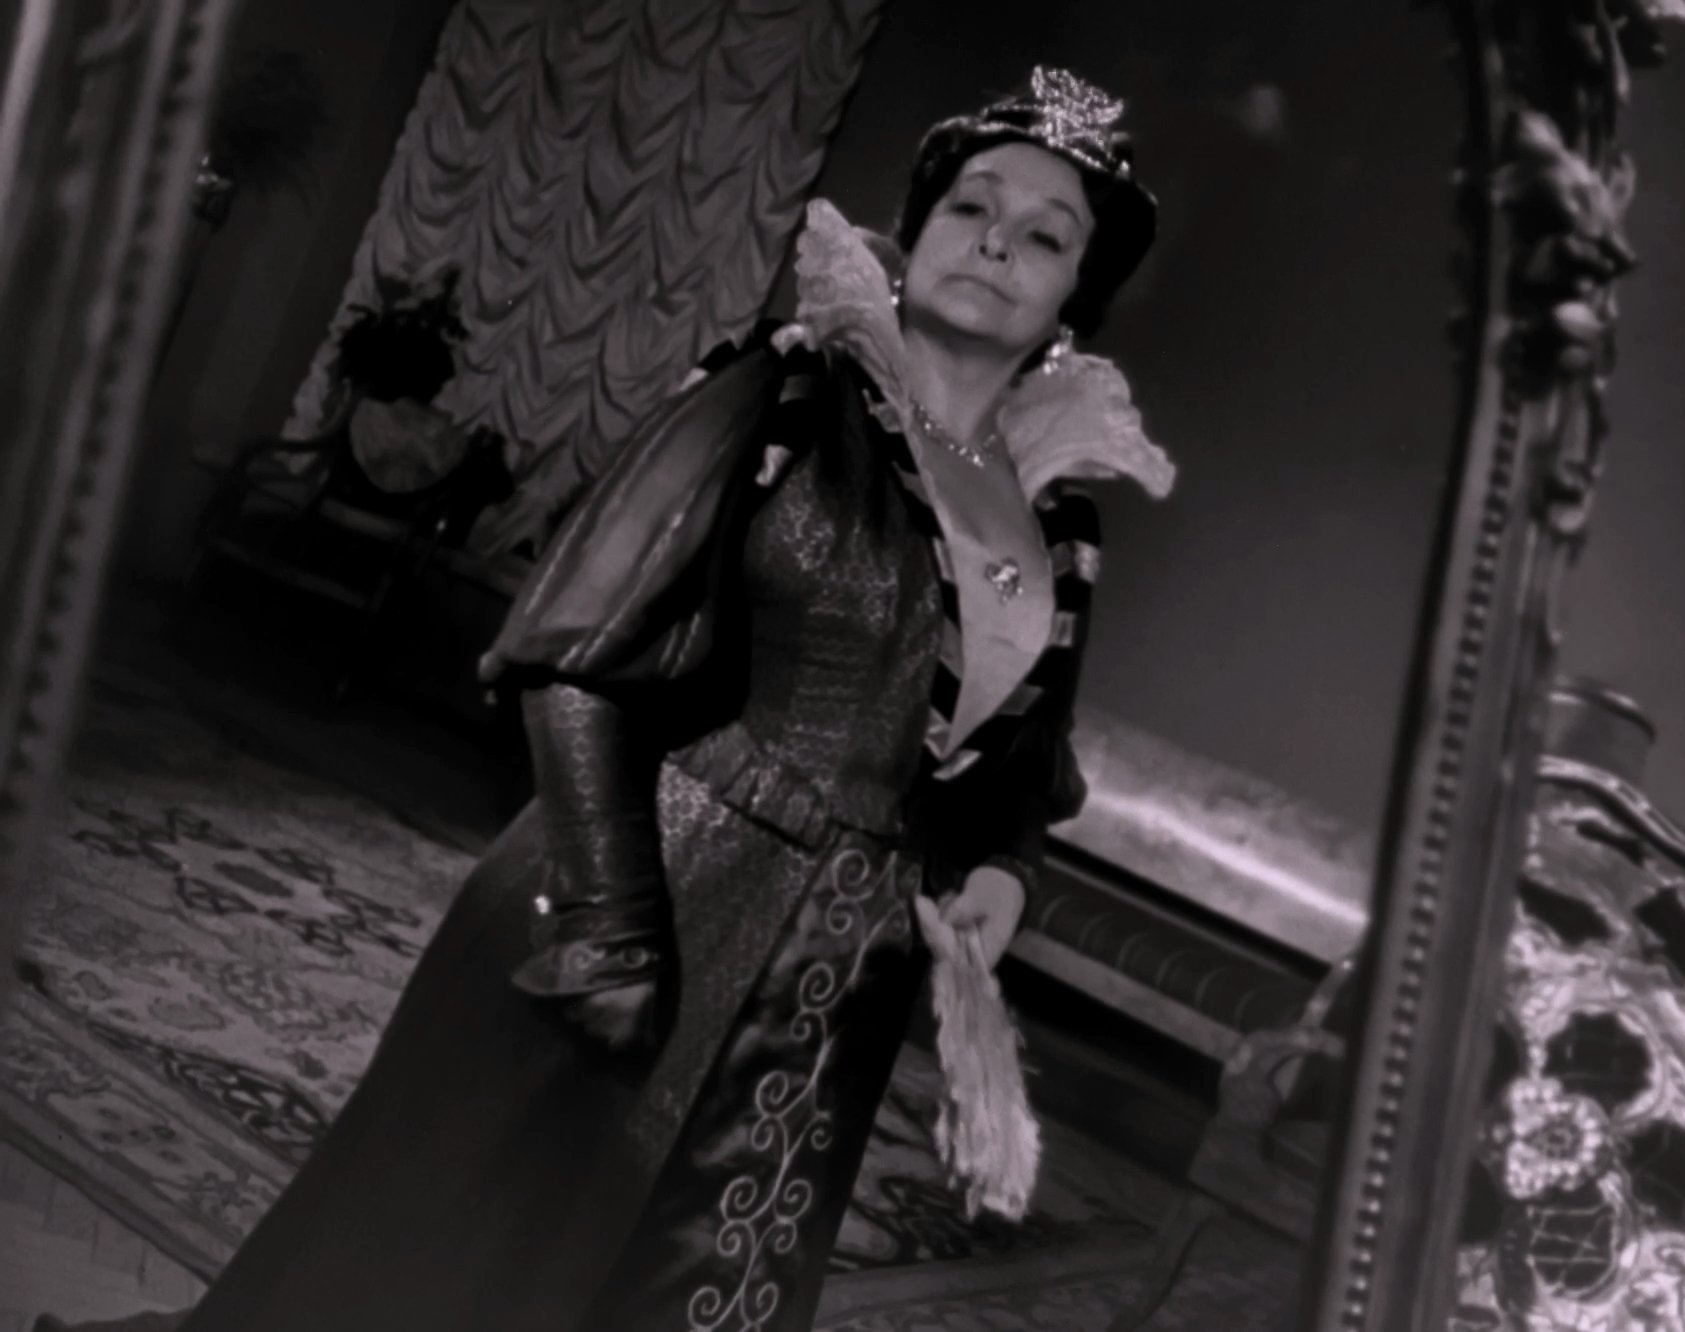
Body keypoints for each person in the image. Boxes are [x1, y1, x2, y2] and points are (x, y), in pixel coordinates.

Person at [58, 65, 1175, 1332]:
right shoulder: (781, 391)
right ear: (914, 232)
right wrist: (608, 925)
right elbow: (572, 655)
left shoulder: (1059, 521)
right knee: (453, 1279)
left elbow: (1019, 766)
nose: (998, 242)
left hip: (832, 988)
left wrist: (1002, 871)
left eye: (1046, 235)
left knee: (696, 1295)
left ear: (1076, 296)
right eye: (973, 205)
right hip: (647, 897)